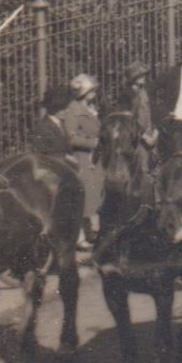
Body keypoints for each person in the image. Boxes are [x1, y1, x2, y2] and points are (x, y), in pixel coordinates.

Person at [61, 74, 105, 244]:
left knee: (95, 195)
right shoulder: (73, 111)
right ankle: (79, 236)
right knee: (84, 197)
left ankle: (91, 232)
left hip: (94, 159)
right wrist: (92, 143)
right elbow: (70, 138)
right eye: (92, 91)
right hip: (82, 158)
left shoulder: (89, 108)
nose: (95, 93)